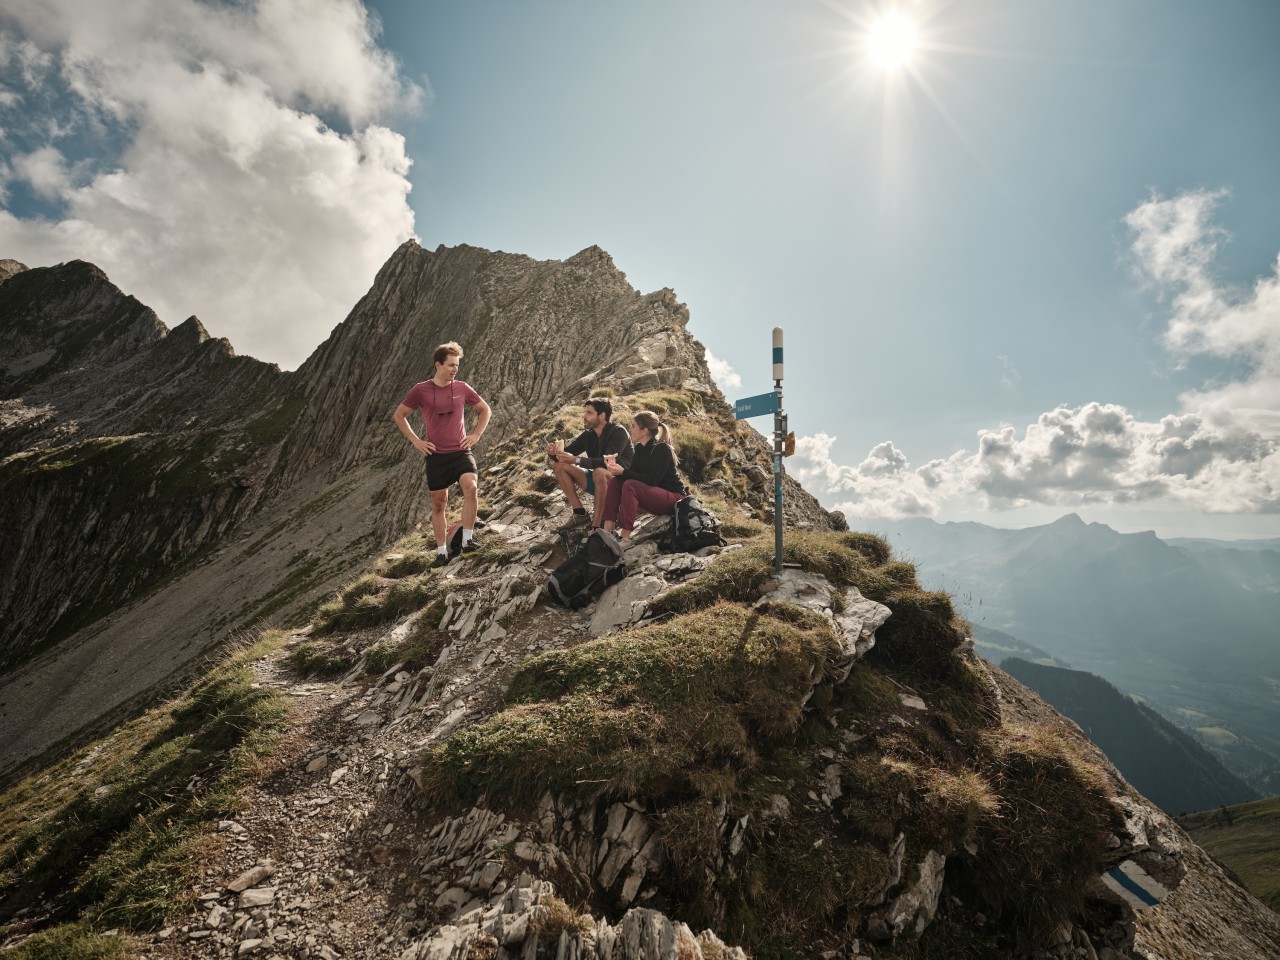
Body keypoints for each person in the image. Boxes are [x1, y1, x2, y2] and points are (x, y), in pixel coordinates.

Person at [393, 341, 491, 567]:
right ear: (438, 365)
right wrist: (416, 441)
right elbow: (400, 415)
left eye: (457, 365)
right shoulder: (420, 390)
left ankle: (467, 541)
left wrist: (476, 434)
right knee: (439, 504)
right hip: (436, 457)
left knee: (472, 487)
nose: (455, 369)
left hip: (460, 453)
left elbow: (485, 409)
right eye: (450, 365)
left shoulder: (462, 388)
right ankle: (441, 552)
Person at [546, 397, 634, 532]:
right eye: (585, 412)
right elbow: (567, 453)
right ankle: (580, 513)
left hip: (622, 486)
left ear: (602, 415)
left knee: (600, 471)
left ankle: (597, 525)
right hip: (599, 483)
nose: (584, 416)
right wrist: (554, 453)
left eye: (589, 413)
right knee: (559, 466)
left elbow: (608, 463)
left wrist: (577, 460)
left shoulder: (618, 432)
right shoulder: (588, 435)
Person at [601, 410, 687, 543]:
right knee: (615, 482)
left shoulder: (662, 449)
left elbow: (652, 480)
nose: (630, 429)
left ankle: (624, 538)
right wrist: (614, 469)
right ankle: (607, 532)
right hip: (656, 497)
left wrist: (623, 472)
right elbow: (631, 475)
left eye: (633, 426)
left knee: (630, 485)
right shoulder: (640, 449)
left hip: (675, 499)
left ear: (644, 431)